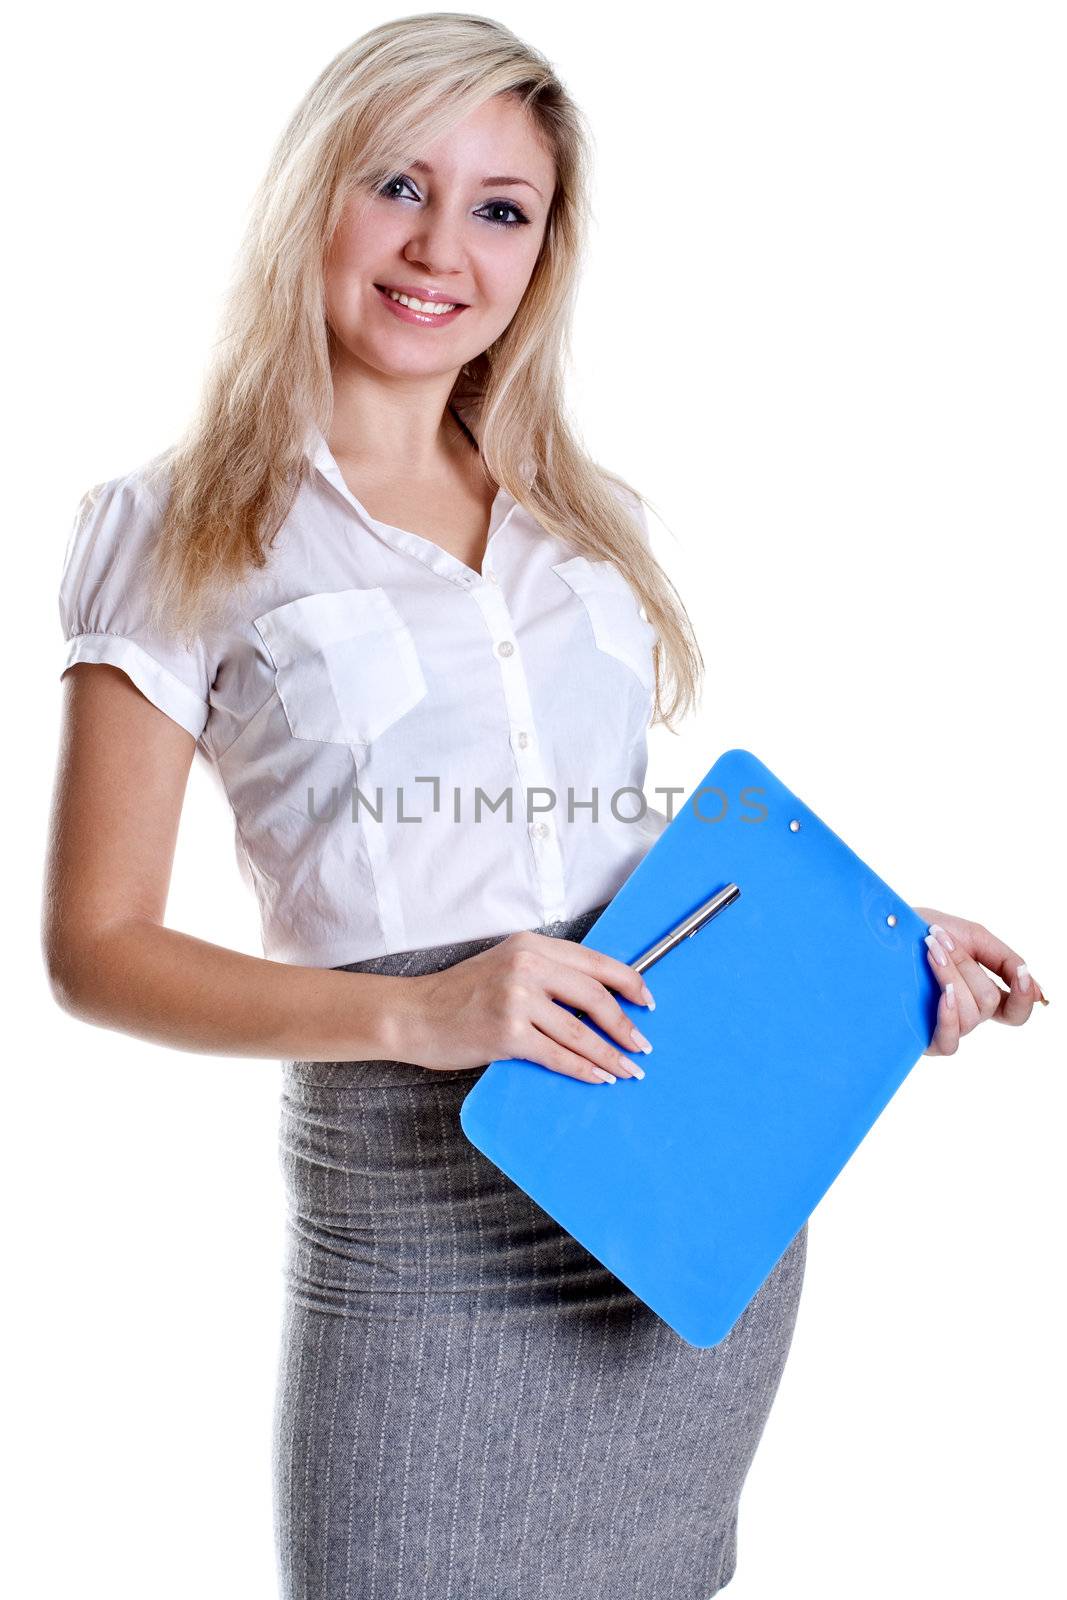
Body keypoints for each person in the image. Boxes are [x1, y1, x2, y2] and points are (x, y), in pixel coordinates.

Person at [43, 15, 1048, 1598]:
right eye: (399, 184)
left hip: (680, 1201)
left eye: (502, 208)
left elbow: (617, 855)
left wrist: (868, 956)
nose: (443, 247)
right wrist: (421, 1015)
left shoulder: (592, 525)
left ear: (544, 250)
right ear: (315, 195)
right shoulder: (175, 526)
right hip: (416, 1218)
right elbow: (93, 948)